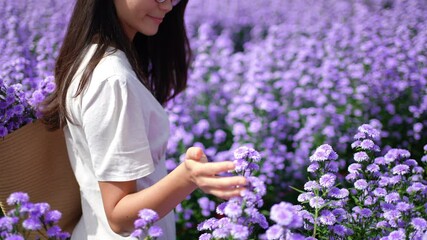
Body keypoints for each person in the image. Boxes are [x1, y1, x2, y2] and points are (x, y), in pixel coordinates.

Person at [40, 0, 247, 239]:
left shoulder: (98, 60)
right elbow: (119, 215)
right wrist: (188, 177)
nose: (168, 5)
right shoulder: (113, 80)